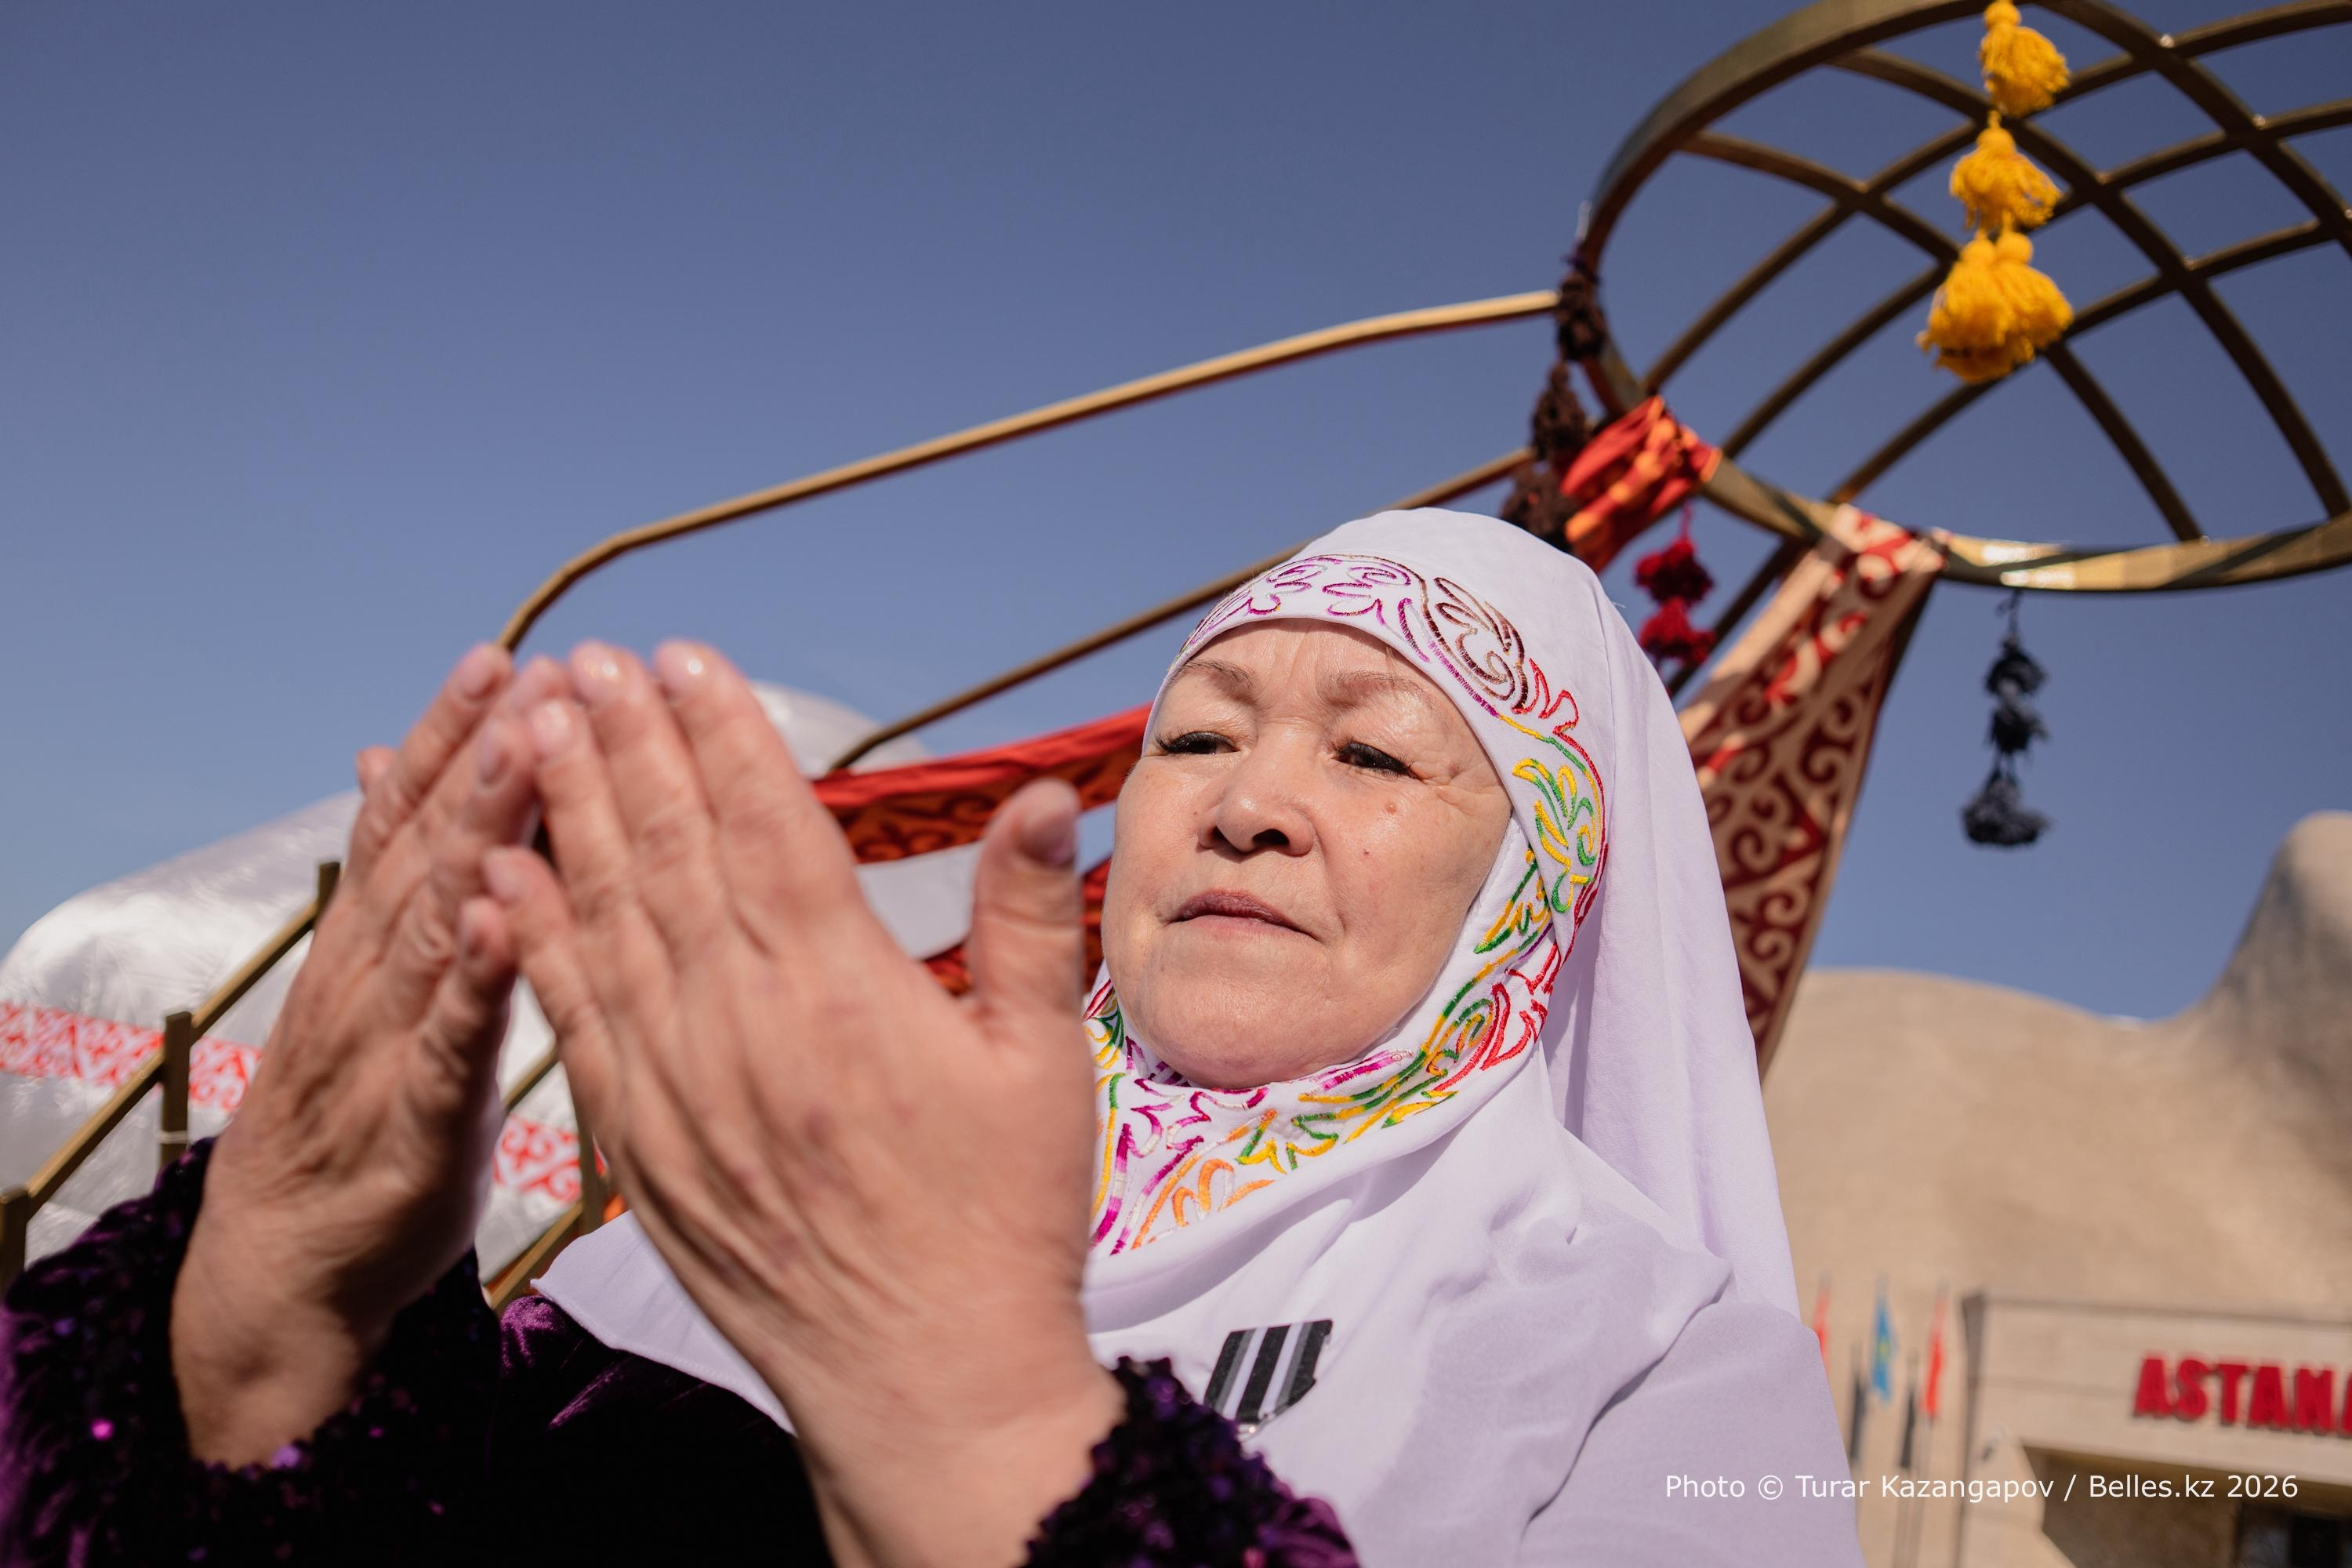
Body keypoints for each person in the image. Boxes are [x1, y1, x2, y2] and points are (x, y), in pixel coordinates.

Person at [0, 509, 1860, 1566]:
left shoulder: (1672, 1369)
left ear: (1540, 880)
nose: (1249, 802)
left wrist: (978, 1433)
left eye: (1374, 752)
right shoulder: (760, 1215)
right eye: (1197, 737)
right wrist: (267, 1338)